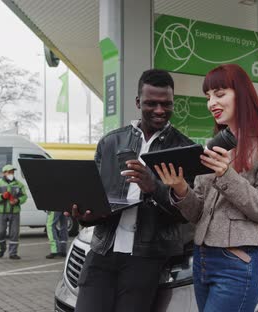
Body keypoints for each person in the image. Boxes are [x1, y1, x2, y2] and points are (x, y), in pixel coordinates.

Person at [154, 64, 258, 312]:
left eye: (219, 93)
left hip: (237, 262)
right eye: (208, 97)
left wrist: (225, 173)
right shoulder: (213, 145)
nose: (211, 103)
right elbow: (197, 213)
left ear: (242, 94)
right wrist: (180, 188)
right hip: (203, 260)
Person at [67, 69, 195, 312]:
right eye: (151, 103)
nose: (159, 110)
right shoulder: (110, 142)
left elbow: (187, 213)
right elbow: (94, 196)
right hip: (103, 250)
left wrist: (153, 186)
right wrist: (83, 215)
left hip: (147, 257)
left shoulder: (184, 148)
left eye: (166, 104)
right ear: (138, 102)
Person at [0, 164, 28, 260]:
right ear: (4, 173)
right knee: (0, 232)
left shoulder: (19, 184)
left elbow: (24, 197)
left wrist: (17, 201)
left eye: (12, 172)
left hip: (14, 212)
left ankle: (13, 253)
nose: (11, 173)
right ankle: (1, 249)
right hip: (1, 212)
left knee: (14, 233)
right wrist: (2, 196)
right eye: (9, 172)